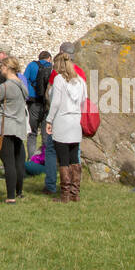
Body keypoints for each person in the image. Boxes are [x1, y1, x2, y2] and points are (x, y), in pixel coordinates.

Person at [43, 42, 86, 195]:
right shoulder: (80, 79)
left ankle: (62, 191)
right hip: (75, 120)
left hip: (61, 120)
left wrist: (49, 120)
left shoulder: (59, 78)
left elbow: (54, 102)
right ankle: (75, 192)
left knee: (59, 156)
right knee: (74, 156)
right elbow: (83, 100)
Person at [0, 55, 29, 203]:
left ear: (7, 68)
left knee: (8, 162)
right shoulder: (22, 86)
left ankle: (10, 196)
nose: (0, 69)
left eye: (1, 67)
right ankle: (19, 191)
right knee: (18, 161)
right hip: (19, 126)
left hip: (6, 127)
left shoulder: (5, 87)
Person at [23, 50, 51, 158]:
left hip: (33, 102)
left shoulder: (31, 65)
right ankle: (46, 160)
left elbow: (24, 80)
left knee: (32, 133)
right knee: (46, 134)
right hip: (46, 104)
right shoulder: (50, 67)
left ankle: (31, 158)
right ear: (49, 58)